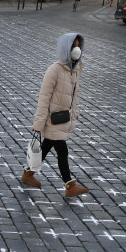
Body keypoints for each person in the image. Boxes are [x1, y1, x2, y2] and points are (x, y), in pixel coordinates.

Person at [22, 33, 88, 198]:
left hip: (63, 118)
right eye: (73, 46)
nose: (76, 50)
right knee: (62, 151)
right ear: (66, 48)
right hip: (53, 120)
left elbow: (74, 96)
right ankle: (69, 185)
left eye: (78, 46)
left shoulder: (76, 70)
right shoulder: (54, 70)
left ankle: (28, 174)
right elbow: (44, 98)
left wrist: (75, 114)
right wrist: (38, 123)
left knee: (46, 147)